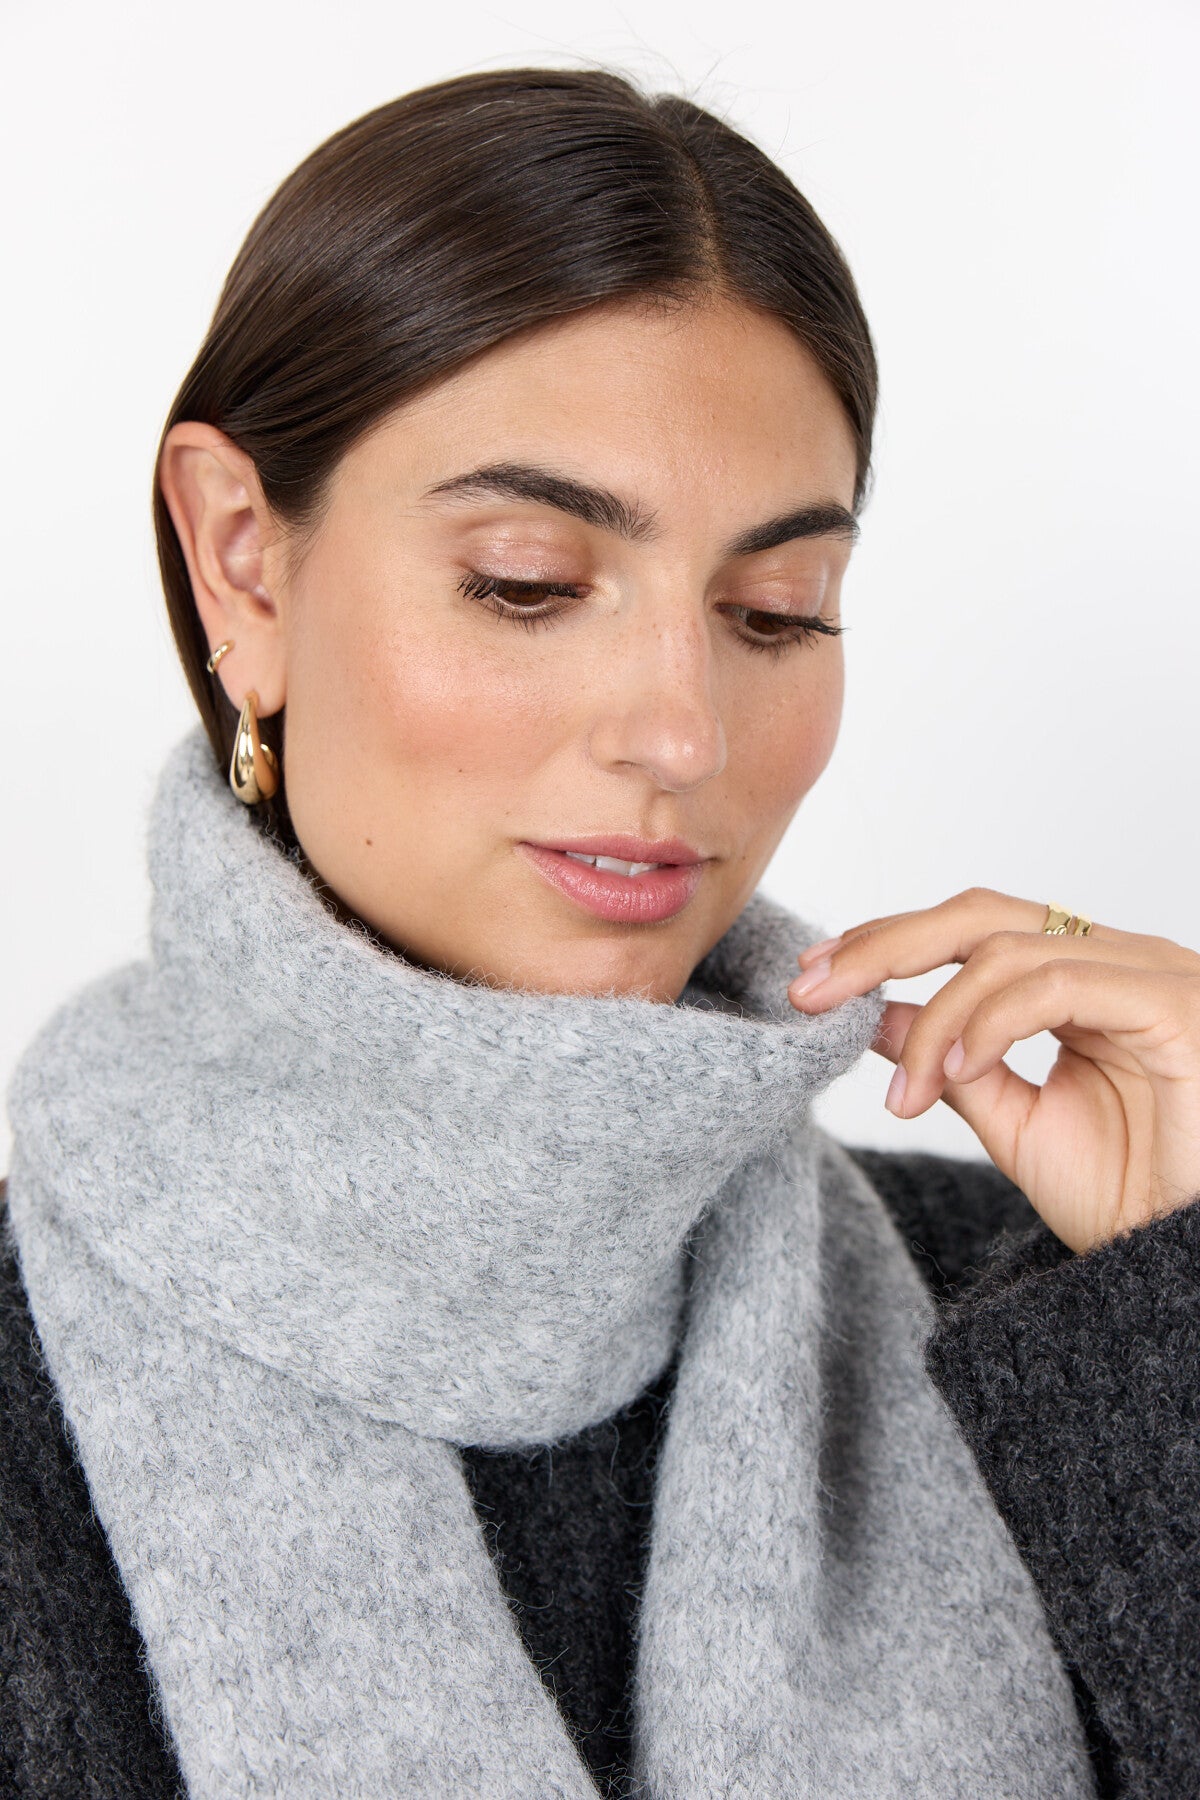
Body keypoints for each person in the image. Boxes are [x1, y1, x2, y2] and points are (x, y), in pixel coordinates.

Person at [2, 65, 1198, 1800]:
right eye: (529, 582)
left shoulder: (1057, 1317)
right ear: (243, 564)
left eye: (775, 612)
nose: (683, 733)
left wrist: (1179, 1307)